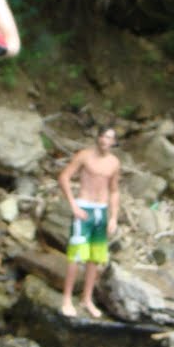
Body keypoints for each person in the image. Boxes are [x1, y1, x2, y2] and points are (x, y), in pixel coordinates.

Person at [58, 125, 121, 319]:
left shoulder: (114, 163)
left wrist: (113, 217)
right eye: (102, 136)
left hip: (101, 211)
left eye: (109, 138)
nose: (104, 140)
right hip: (83, 208)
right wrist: (73, 205)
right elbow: (64, 177)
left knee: (94, 257)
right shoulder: (84, 156)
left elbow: (114, 190)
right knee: (76, 255)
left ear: (113, 142)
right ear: (98, 137)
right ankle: (67, 298)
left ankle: (86, 298)